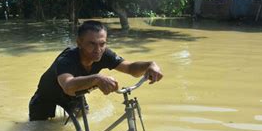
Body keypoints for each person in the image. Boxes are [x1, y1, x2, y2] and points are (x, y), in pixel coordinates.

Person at [29, 20, 163, 121]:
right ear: (79, 43)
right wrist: (97, 78)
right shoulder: (67, 59)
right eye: (92, 44)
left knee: (82, 123)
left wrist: (149, 65)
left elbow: (130, 68)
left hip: (74, 97)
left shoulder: (104, 54)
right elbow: (68, 86)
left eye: (102, 44)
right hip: (47, 96)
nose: (98, 49)